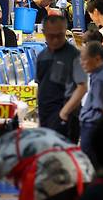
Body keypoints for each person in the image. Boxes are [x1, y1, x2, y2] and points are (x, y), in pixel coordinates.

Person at [36, 15, 87, 143]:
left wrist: (64, 113)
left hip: (66, 116)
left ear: (65, 31)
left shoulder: (74, 55)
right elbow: (40, 84)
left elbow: (82, 87)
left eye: (60, 35)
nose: (55, 40)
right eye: (51, 36)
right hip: (45, 114)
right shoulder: (42, 56)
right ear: (44, 33)